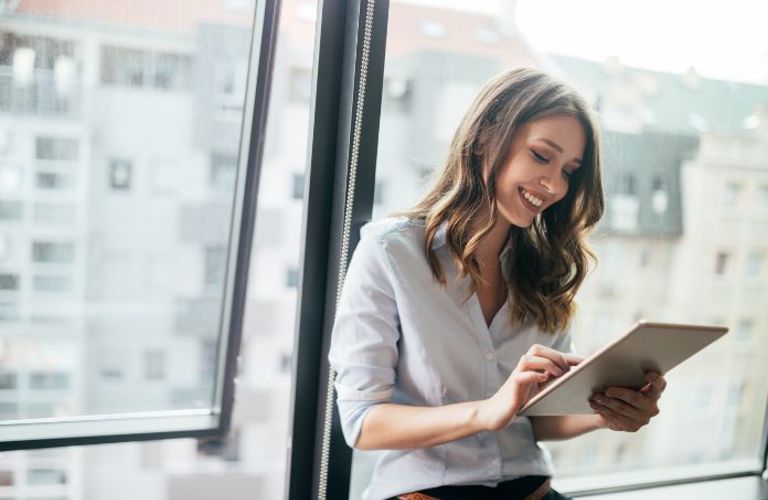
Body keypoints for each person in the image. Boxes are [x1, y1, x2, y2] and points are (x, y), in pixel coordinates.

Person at [328, 67, 667, 500]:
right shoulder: (390, 253)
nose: (555, 185)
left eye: (569, 170)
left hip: (535, 492)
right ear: (487, 137)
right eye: (542, 156)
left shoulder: (545, 270)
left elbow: (538, 419)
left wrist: (606, 413)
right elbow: (363, 422)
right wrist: (485, 413)